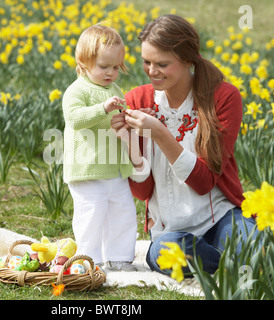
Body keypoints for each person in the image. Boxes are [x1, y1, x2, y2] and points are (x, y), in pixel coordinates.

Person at [111, 14, 258, 275]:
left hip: (220, 218)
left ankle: (223, 263)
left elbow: (204, 183)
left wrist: (161, 134)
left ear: (188, 60)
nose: (152, 71)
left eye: (162, 64)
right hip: (171, 232)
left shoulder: (223, 98)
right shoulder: (138, 99)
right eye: (147, 62)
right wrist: (128, 141)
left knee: (256, 249)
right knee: (163, 252)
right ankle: (233, 267)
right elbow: (143, 192)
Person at [62, 24, 145, 271]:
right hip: (88, 170)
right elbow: (75, 119)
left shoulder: (114, 89)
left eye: (116, 67)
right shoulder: (77, 90)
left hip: (114, 168)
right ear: (84, 62)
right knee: (91, 216)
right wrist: (103, 109)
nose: (110, 72)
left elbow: (120, 119)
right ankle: (90, 260)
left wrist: (132, 115)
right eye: (103, 66)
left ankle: (119, 257)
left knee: (123, 214)